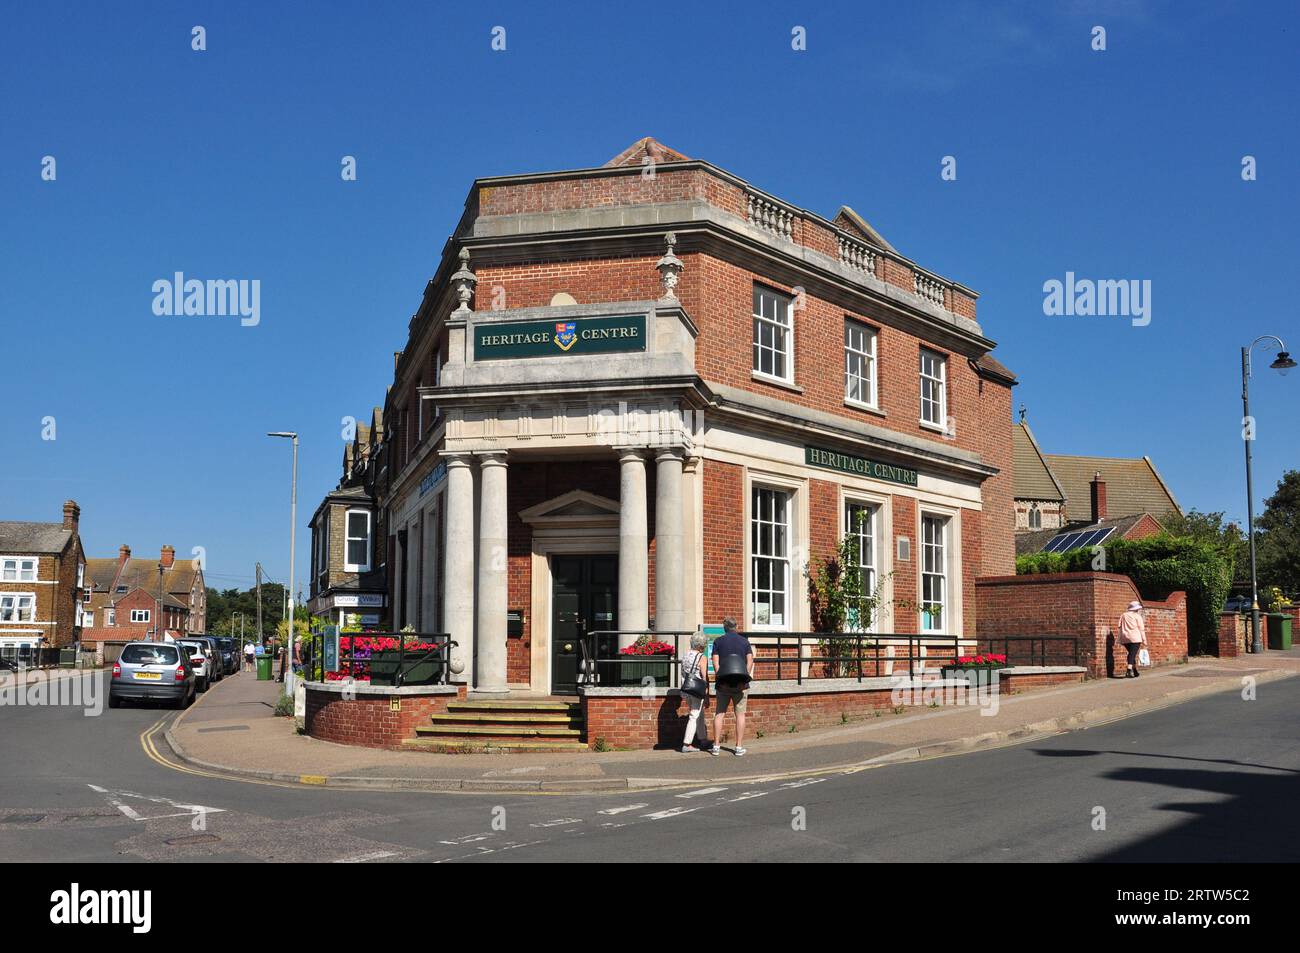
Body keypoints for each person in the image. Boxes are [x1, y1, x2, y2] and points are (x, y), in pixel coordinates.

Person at [710, 617, 753, 756]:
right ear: (736, 626)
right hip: (740, 684)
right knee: (740, 715)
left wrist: (720, 676)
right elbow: (750, 661)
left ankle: (716, 746)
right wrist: (744, 676)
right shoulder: (744, 641)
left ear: (724, 627)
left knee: (719, 714)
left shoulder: (718, 641)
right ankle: (738, 747)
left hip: (723, 684)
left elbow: (716, 663)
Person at [679, 632, 710, 753]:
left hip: (687, 688)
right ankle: (687, 744)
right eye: (704, 645)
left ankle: (702, 739)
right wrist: (706, 695)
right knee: (694, 715)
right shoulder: (702, 657)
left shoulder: (685, 655)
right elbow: (704, 677)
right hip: (697, 690)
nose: (705, 647)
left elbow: (683, 673)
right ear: (701, 645)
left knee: (699, 713)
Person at [1118, 600, 1147, 678]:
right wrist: (1144, 640)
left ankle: (1134, 671)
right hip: (1135, 637)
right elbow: (1141, 628)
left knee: (1131, 653)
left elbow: (1120, 627)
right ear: (1136, 609)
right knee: (1132, 654)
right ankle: (1129, 669)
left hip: (1125, 637)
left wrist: (1120, 639)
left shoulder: (1123, 615)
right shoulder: (1137, 616)